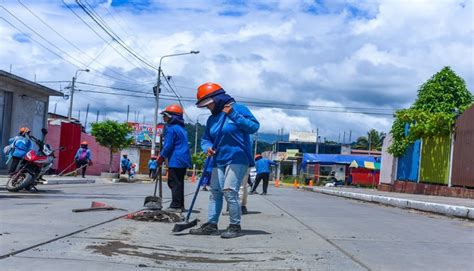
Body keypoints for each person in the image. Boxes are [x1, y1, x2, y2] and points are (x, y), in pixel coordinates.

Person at [190, 82, 259, 239]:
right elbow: (206, 139)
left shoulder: (239, 109)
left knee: (229, 190)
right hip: (218, 159)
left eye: (209, 104)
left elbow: (254, 127)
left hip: (237, 157)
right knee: (215, 192)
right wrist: (207, 147)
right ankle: (212, 225)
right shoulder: (212, 120)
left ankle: (235, 225)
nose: (208, 108)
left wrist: (233, 114)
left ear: (218, 99)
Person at [158, 104, 192, 213]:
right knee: (179, 182)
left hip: (176, 159)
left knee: (173, 182)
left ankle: (175, 205)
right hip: (183, 159)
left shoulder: (171, 129)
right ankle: (180, 205)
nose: (164, 118)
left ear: (172, 117)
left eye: (166, 116)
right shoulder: (182, 129)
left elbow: (168, 145)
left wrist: (161, 156)